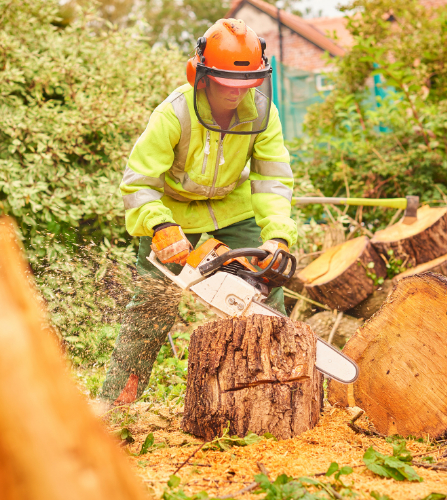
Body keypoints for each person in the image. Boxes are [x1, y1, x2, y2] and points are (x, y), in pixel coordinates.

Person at [100, 18, 297, 406]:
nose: (236, 94)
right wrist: (159, 225)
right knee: (153, 303)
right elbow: (138, 182)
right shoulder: (173, 113)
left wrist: (277, 236)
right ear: (202, 75)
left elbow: (273, 180)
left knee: (266, 286)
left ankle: (276, 391)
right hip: (172, 212)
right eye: (227, 84)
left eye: (247, 85)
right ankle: (116, 398)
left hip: (232, 209)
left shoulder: (263, 113)